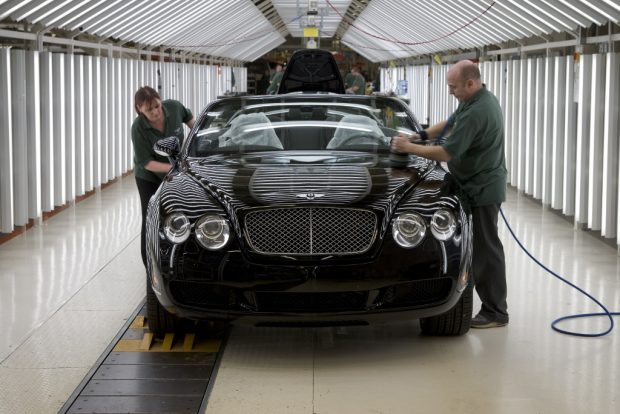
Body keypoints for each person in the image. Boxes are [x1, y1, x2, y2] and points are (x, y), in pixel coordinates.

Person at [391, 60, 508, 329]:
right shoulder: (475, 100)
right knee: (479, 247)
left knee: (486, 251)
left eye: (453, 87)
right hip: (471, 184)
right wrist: (419, 135)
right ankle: (491, 306)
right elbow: (451, 123)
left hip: (482, 188)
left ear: (471, 83)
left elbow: (445, 153)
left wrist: (409, 148)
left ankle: (496, 311)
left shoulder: (479, 111)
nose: (450, 91)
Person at [131, 86, 195, 269]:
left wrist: (196, 148)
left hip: (177, 170)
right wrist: (174, 167)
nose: (155, 112)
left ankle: (182, 258)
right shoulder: (138, 128)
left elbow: (193, 124)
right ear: (139, 110)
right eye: (149, 110)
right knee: (150, 216)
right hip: (149, 176)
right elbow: (146, 162)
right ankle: (149, 265)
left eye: (157, 106)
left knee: (180, 212)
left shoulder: (174, 107)